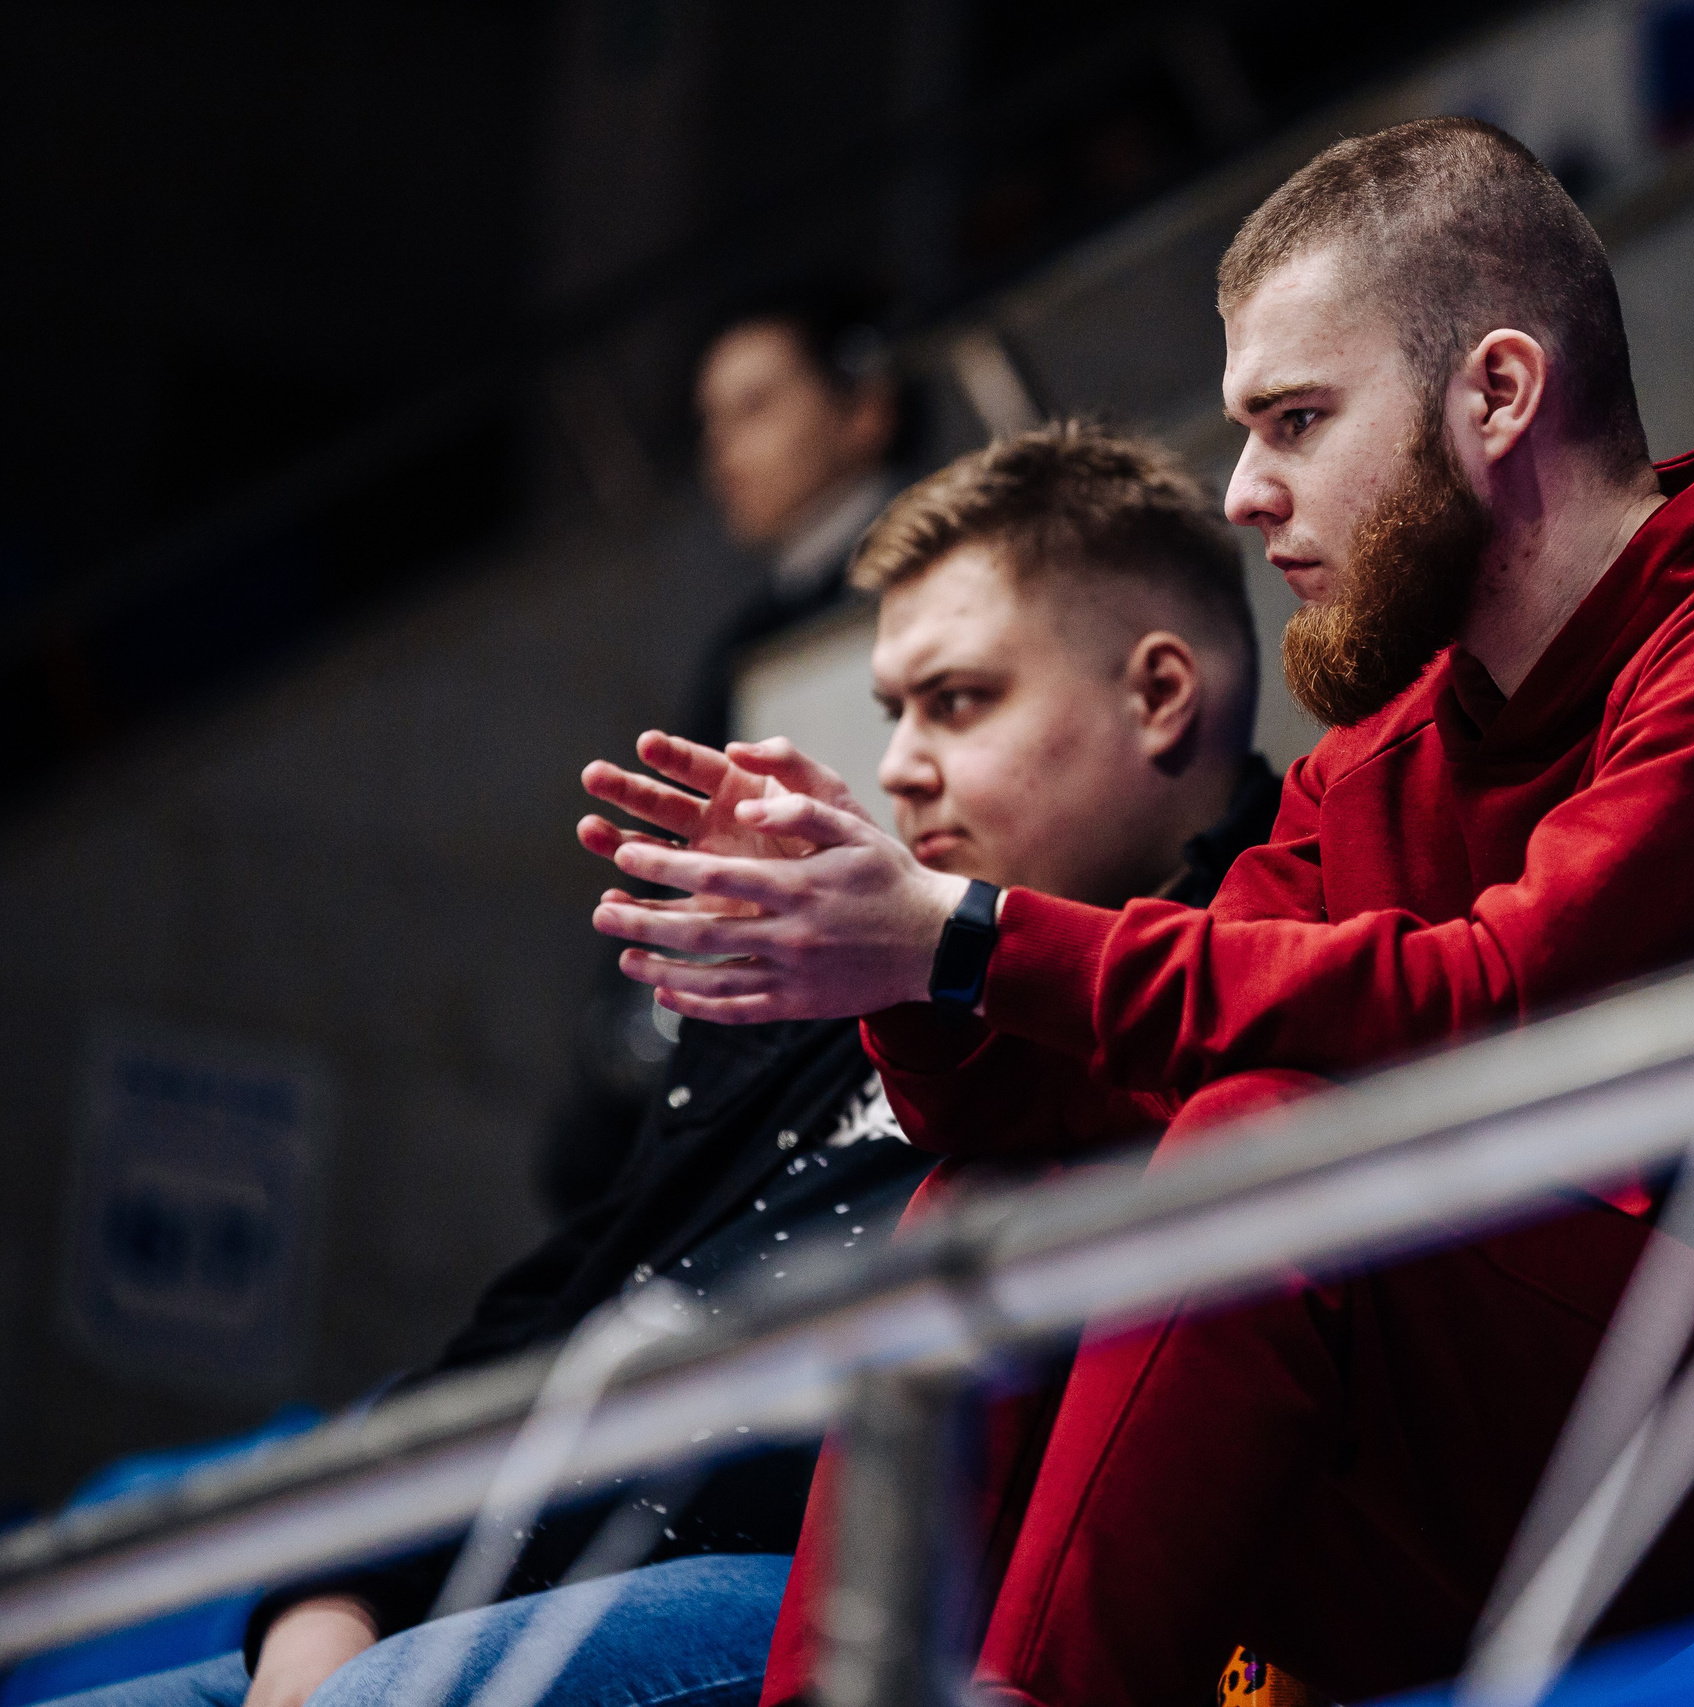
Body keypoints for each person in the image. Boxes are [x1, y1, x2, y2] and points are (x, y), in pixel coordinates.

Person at [586, 118, 1694, 1706]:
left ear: (1494, 394)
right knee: (1000, 1205)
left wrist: (960, 928)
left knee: (1272, 1146)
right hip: (1577, 1399)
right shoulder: (1391, 752)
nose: (1243, 492)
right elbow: (1042, 1106)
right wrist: (869, 938)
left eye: (1293, 420)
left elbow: (1509, 1001)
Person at [63, 425, 1279, 1707]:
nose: (904, 763)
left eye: (959, 700)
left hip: (821, 1597)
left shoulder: (1256, 969)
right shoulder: (831, 978)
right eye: (893, 711)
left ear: (1156, 698)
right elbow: (546, 1314)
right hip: (493, 1581)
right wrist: (330, 1596)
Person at [545, 285, 927, 1223]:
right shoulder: (756, 628)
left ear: (865, 408)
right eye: (711, 419)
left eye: (756, 406)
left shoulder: (930, 588)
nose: (723, 447)